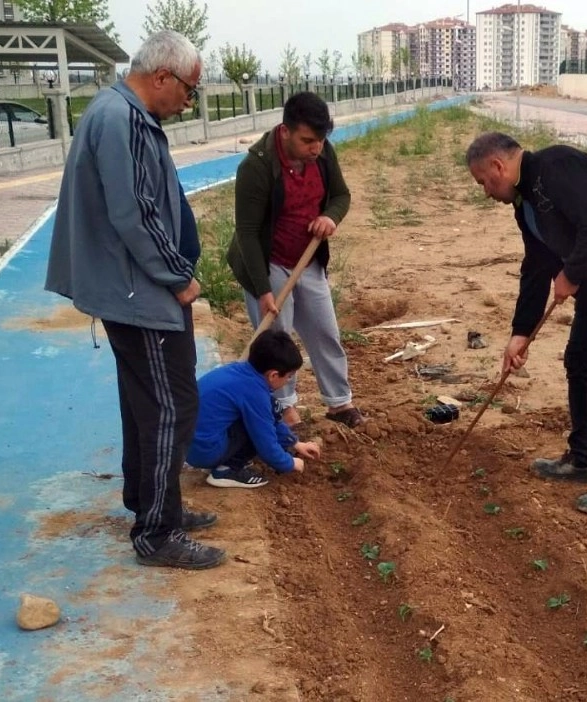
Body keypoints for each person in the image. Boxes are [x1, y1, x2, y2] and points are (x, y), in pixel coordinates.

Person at [45, 31, 225, 569]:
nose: (188, 102)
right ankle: (158, 532)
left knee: (144, 403)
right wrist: (177, 277)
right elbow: (136, 212)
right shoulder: (122, 119)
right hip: (139, 290)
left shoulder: (117, 112)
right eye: (189, 90)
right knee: (172, 404)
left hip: (130, 286)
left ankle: (150, 500)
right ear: (163, 76)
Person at [465, 132, 587, 515]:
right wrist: (519, 335)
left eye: (483, 182)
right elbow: (536, 268)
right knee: (579, 361)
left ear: (498, 166)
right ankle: (582, 461)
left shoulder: (558, 165)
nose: (485, 191)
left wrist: (571, 275)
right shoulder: (524, 205)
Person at [228, 91, 364, 429]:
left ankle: (338, 402)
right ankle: (284, 408)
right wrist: (263, 290)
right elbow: (246, 232)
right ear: (285, 131)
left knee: (324, 330)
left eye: (320, 140)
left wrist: (330, 216)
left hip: (308, 258)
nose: (315, 148)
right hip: (268, 260)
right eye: (307, 140)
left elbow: (341, 196)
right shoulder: (256, 166)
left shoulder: (323, 153)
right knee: (277, 338)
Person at [187, 330, 321, 488]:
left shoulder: (241, 371)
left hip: (188, 444)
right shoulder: (254, 393)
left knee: (266, 410)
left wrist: (295, 443)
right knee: (257, 426)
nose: (288, 380)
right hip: (203, 451)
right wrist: (289, 463)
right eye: (289, 376)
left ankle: (226, 458)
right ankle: (228, 470)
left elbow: (271, 416)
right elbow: (266, 442)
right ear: (274, 375)